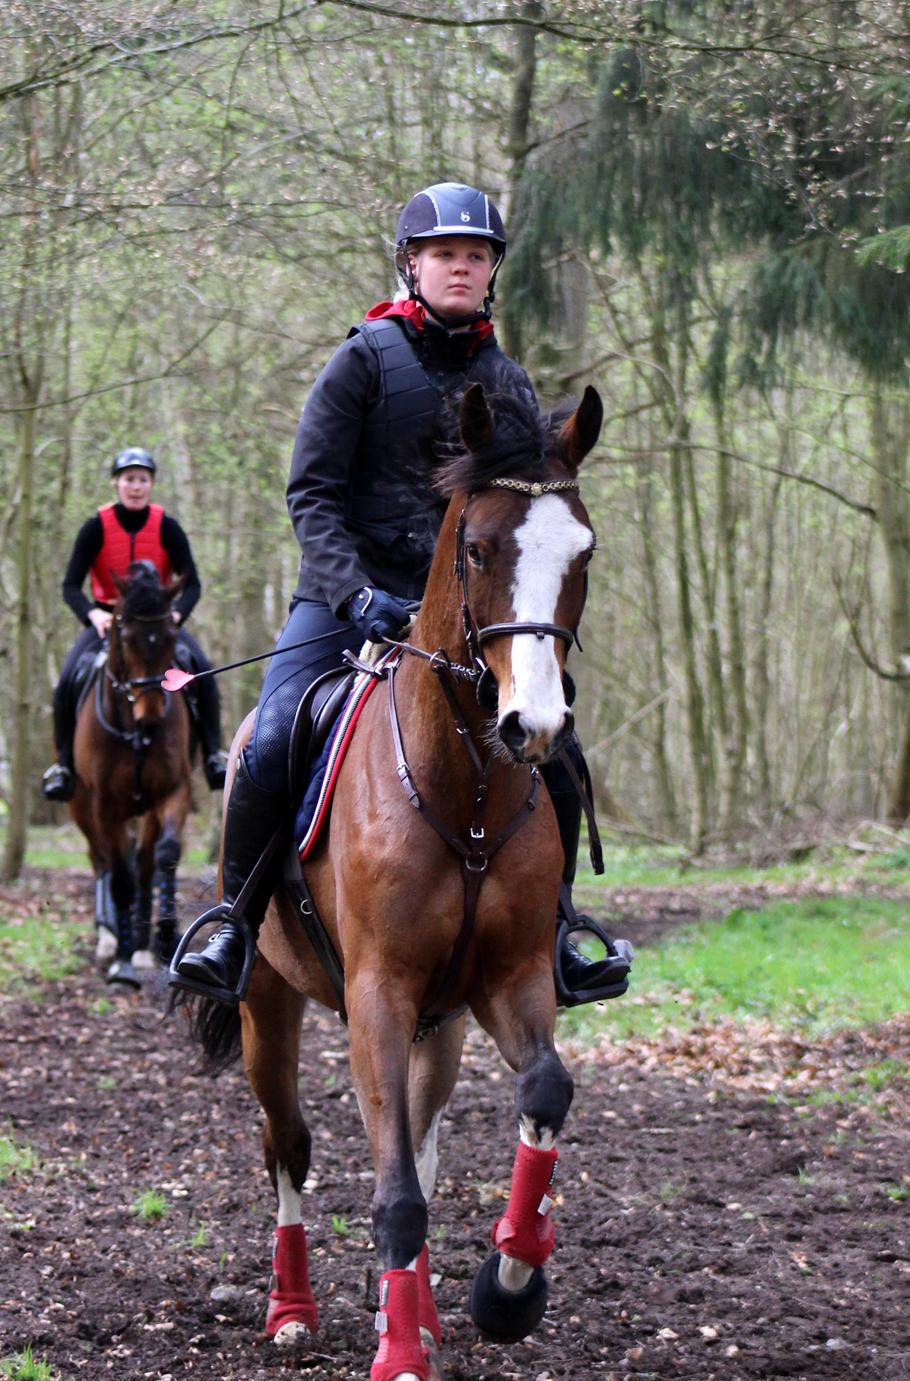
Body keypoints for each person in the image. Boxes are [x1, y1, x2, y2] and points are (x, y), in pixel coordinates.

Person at [175, 181, 627, 1005]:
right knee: (273, 734)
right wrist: (352, 594)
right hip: (346, 597)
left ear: (492, 274)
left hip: (463, 615)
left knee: (554, 740)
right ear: (411, 264)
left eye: (476, 257)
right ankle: (232, 923)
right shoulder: (361, 360)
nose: (462, 268)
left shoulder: (507, 379)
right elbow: (310, 492)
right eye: (445, 254)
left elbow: (523, 516)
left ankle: (559, 929)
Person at [42, 448, 228, 801]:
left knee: (202, 670)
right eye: (129, 479)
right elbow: (70, 586)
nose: (136, 486)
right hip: (107, 621)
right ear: (116, 483)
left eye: (142, 479)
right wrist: (92, 614)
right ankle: (63, 767)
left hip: (157, 622)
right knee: (67, 678)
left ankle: (213, 757)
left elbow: (193, 584)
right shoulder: (95, 527)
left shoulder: (168, 527)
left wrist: (176, 614)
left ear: (151, 484)